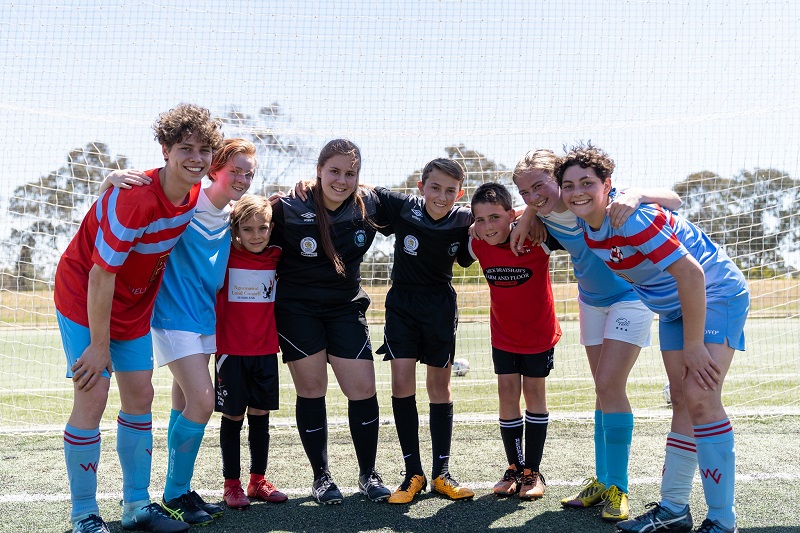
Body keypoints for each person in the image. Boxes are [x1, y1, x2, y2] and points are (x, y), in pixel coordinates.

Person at [556, 142, 748, 533]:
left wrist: (694, 346)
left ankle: (722, 521)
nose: (577, 190)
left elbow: (692, 275)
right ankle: (674, 509)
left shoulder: (629, 218)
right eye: (569, 184)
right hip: (674, 307)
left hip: (714, 294)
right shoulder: (583, 218)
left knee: (700, 396)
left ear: (607, 184)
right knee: (680, 399)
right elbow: (533, 202)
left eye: (587, 182)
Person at [54, 103, 223, 533]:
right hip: (85, 298)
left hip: (131, 307)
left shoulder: (189, 196)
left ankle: (135, 508)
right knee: (93, 397)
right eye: (185, 147)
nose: (196, 158)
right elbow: (100, 273)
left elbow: (231, 195)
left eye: (204, 150)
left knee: (141, 396)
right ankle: (83, 515)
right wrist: (97, 344)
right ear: (165, 149)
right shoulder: (135, 200)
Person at [509, 149, 682, 522]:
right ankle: (602, 482)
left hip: (630, 297)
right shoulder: (542, 211)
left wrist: (636, 195)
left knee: (610, 384)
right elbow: (530, 207)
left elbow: (675, 199)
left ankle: (619, 487)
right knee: (602, 389)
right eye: (524, 192)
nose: (533, 196)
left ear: (558, 179)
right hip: (591, 302)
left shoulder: (598, 198)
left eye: (539, 186)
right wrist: (528, 214)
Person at [271, 139, 391, 505]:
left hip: (345, 308)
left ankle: (369, 475)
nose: (341, 180)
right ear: (319, 170)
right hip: (297, 310)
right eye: (334, 171)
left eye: (350, 173)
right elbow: (246, 227)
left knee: (362, 389)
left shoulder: (370, 203)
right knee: (312, 390)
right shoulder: (287, 207)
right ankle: (321, 478)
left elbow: (425, 210)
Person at [372, 159, 476, 503]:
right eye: (435, 187)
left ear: (459, 193)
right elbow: (361, 190)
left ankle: (441, 474)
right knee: (401, 382)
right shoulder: (403, 208)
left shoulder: (465, 219)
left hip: (440, 307)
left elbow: (505, 215)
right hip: (402, 303)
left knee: (439, 387)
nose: (442, 196)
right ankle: (412, 473)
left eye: (450, 190)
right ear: (421, 186)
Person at [468, 182, 562, 501]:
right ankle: (515, 466)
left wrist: (528, 213)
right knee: (507, 394)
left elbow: (559, 208)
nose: (487, 226)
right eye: (480, 220)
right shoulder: (476, 242)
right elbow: (451, 221)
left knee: (534, 393)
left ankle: (532, 471)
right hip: (503, 335)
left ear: (510, 213)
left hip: (538, 334)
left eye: (495, 217)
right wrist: (479, 225)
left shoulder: (538, 237)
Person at [214, 195, 287, 510]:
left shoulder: (276, 256)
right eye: (248, 229)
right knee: (233, 416)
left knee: (260, 415)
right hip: (231, 352)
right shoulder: (224, 254)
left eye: (263, 228)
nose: (257, 235)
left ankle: (257, 481)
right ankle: (231, 485)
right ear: (236, 231)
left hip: (266, 350)